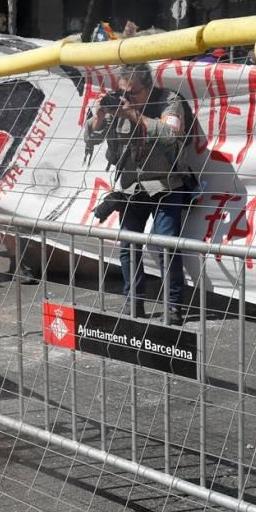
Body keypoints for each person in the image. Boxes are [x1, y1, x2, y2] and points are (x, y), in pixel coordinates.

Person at [84, 63, 193, 325]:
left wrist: (135, 115)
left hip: (166, 185)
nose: (125, 98)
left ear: (147, 86)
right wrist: (99, 116)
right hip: (131, 187)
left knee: (166, 245)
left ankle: (173, 306)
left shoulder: (169, 101)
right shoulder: (118, 104)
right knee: (128, 246)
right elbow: (90, 139)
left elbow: (170, 134)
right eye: (123, 92)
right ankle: (133, 303)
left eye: (132, 93)